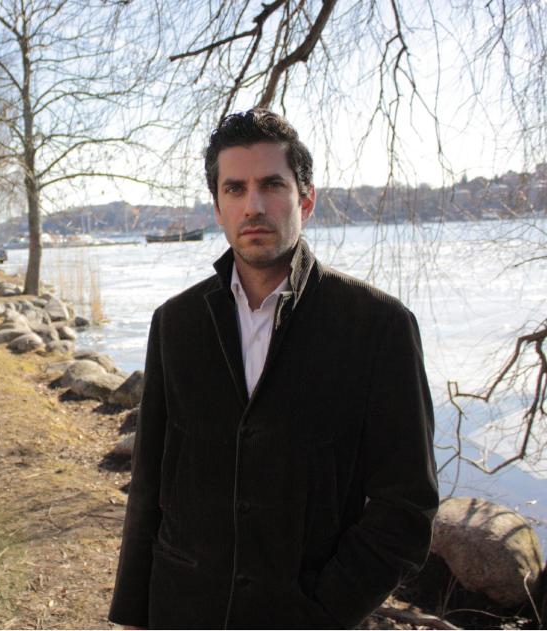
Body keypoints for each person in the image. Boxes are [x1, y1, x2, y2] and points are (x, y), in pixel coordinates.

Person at [108, 108, 438, 629]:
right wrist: (134, 614)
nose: (253, 205)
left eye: (271, 185)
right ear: (218, 206)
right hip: (183, 611)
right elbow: (149, 484)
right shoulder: (176, 323)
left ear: (305, 198)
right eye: (234, 189)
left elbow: (407, 507)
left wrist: (324, 610)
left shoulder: (378, 327)